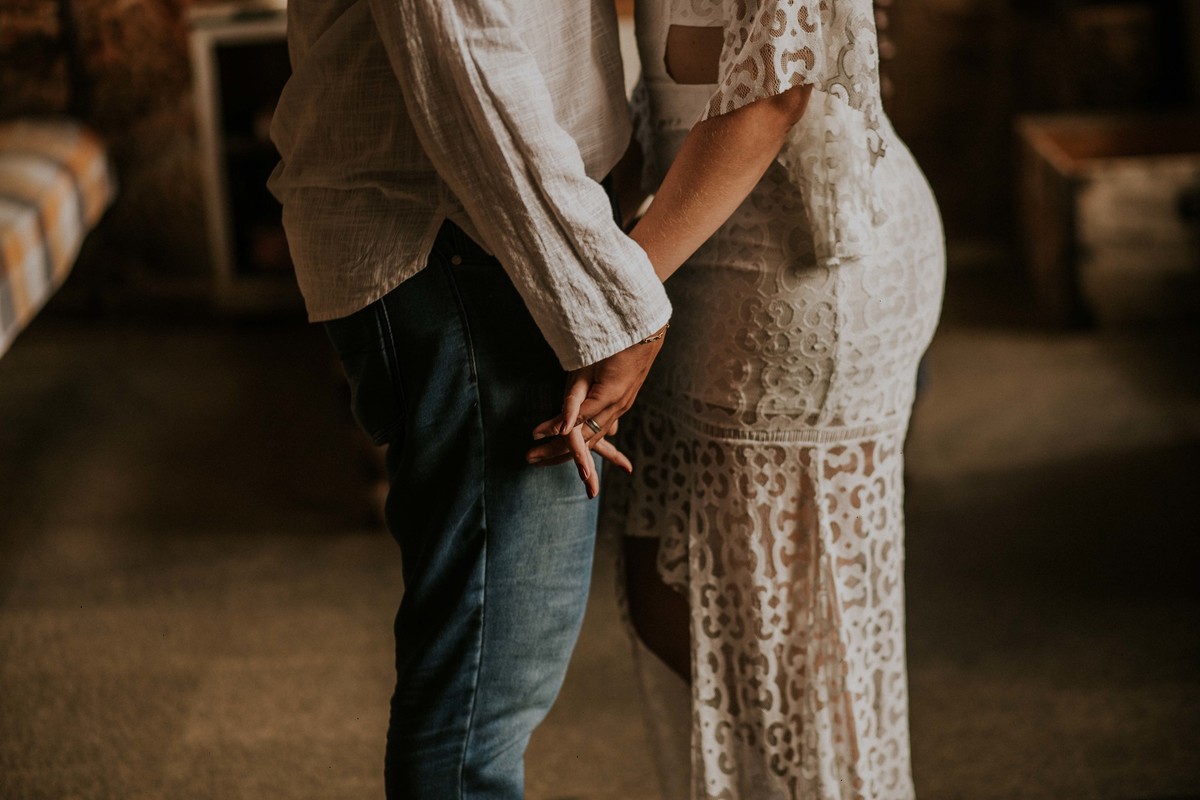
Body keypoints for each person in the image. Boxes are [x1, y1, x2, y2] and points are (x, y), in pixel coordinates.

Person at [537, 0, 945, 796]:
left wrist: (614, 307)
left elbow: (776, 89)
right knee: (685, 605)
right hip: (700, 243)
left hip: (794, 270)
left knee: (780, 656)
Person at [267, 1, 672, 797]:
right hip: (463, 235)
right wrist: (614, 306)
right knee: (481, 707)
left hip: (485, 230)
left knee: (489, 683)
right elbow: (461, 54)